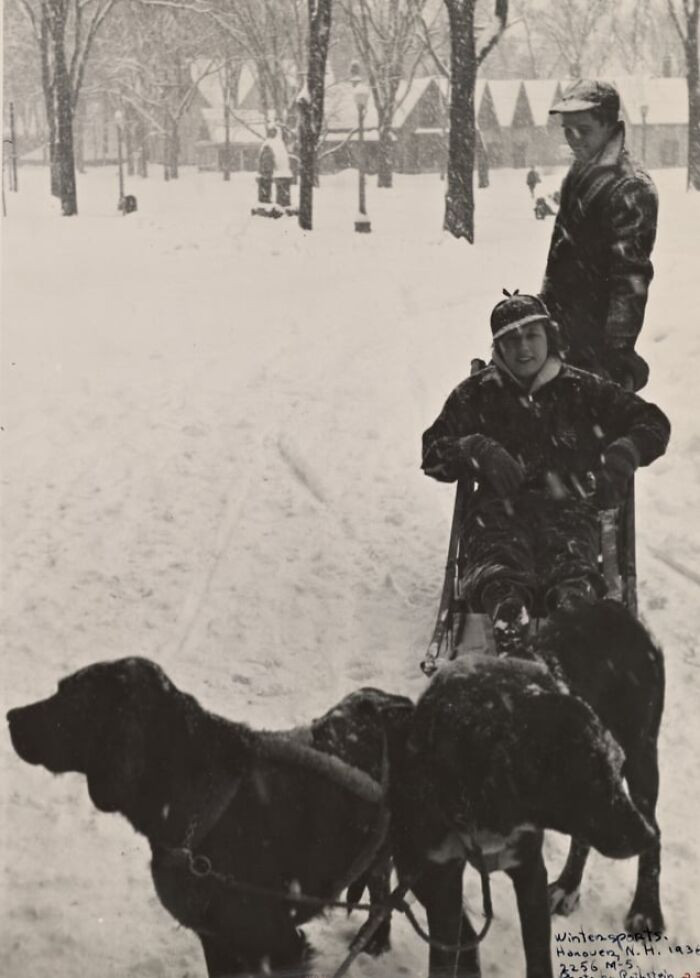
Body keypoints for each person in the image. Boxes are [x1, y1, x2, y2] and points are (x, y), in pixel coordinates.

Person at [421, 292, 670, 654]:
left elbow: (652, 421)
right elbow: (432, 453)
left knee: (571, 565)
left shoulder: (582, 388)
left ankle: (570, 624)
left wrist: (624, 451)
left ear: (548, 338)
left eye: (532, 336)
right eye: (512, 339)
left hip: (570, 504)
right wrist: (474, 448)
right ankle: (509, 618)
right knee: (498, 563)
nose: (523, 348)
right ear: (498, 348)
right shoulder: (477, 394)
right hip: (497, 509)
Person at [541, 80, 658, 391]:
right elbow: (559, 252)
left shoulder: (631, 187)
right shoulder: (579, 171)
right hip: (562, 330)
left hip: (597, 339)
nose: (574, 139)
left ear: (610, 126)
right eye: (567, 130)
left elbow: (630, 278)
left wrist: (615, 354)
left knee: (591, 428)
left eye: (583, 129)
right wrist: (542, 313)